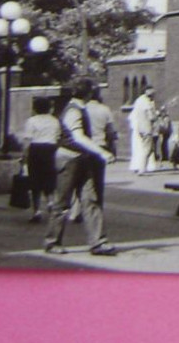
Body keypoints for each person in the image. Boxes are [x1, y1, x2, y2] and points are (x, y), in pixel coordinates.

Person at [44, 77, 118, 257]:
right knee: (63, 202)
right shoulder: (73, 111)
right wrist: (102, 152)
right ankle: (52, 242)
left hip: (82, 159)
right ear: (88, 92)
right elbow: (78, 137)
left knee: (90, 199)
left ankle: (98, 242)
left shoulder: (78, 109)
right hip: (69, 160)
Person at [21, 96, 61, 223]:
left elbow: (27, 140)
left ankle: (36, 211)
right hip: (51, 150)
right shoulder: (55, 120)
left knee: (35, 181)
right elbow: (59, 138)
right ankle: (50, 202)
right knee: (50, 178)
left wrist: (24, 156)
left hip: (36, 150)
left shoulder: (31, 121)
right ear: (49, 108)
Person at [128, 85, 156, 173]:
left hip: (140, 127)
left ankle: (143, 167)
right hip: (147, 128)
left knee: (146, 148)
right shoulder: (146, 102)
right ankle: (142, 169)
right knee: (147, 149)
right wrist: (156, 115)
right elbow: (151, 117)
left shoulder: (138, 101)